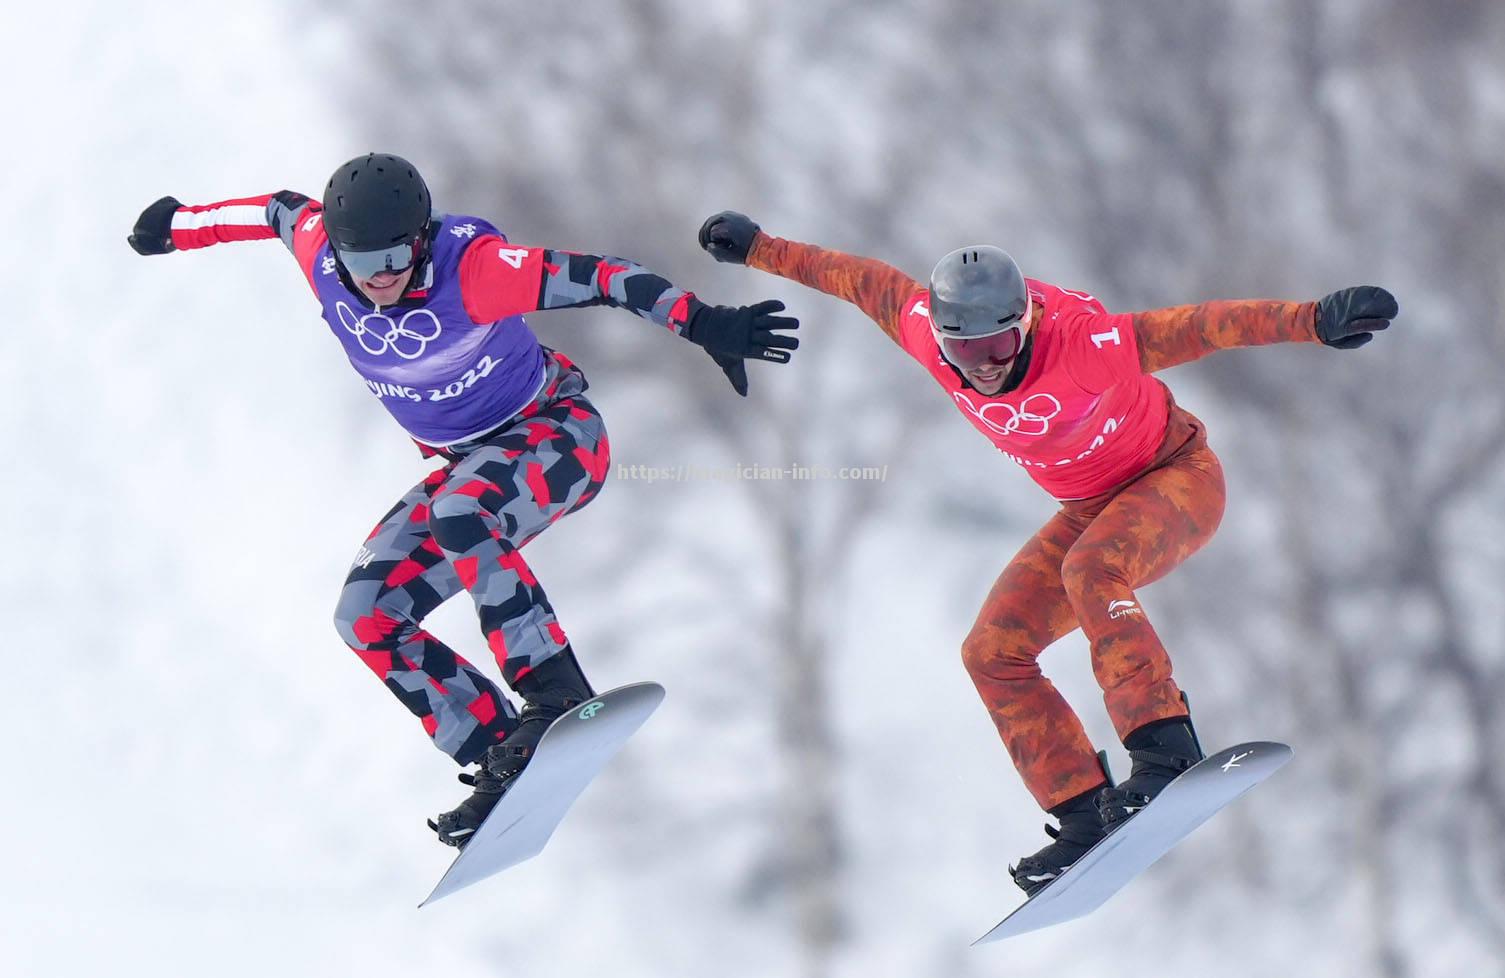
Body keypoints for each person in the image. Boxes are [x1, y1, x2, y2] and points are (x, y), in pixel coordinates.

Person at [697, 210, 1395, 894]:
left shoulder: (1085, 345)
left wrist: (1313, 319)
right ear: (939, 338)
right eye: (964, 354)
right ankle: (1084, 813)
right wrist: (760, 247)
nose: (984, 370)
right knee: (991, 650)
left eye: (997, 348)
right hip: (1090, 508)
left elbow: (1204, 324)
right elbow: (855, 278)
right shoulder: (921, 330)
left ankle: (1165, 750)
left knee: (1090, 570)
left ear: (1024, 321)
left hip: (1175, 477)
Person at [126, 154, 799, 848]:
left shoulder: (474, 269)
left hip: (558, 435)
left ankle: (554, 691)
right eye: (365, 260)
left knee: (458, 513)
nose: (382, 274)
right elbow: (273, 210)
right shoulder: (322, 255)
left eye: (397, 254)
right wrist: (178, 226)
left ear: (420, 239)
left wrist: (702, 323)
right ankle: (502, 753)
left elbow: (604, 276)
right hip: (467, 466)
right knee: (364, 615)